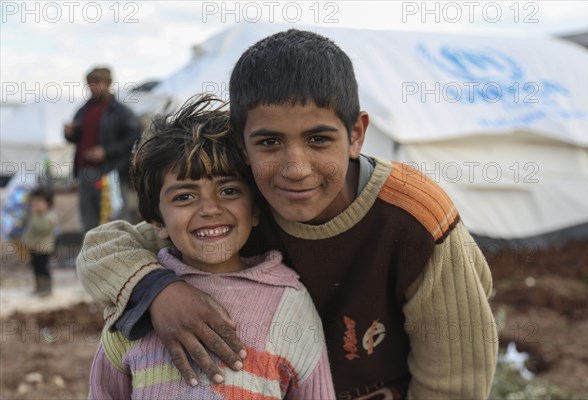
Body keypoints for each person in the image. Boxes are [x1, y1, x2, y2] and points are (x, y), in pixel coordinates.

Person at [77, 30, 498, 399]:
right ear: (242, 145)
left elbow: (453, 382)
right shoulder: (243, 204)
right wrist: (158, 291)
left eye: (318, 139)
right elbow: (103, 248)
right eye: (269, 143)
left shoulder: (415, 220)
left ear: (356, 135)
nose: (295, 169)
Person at [87, 94, 335, 399]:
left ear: (255, 208)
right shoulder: (134, 303)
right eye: (184, 197)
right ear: (157, 221)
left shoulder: (290, 304)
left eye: (229, 190)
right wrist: (156, 293)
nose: (209, 209)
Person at [64, 66, 141, 232]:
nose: (92, 87)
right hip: (85, 172)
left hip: (109, 173)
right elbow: (76, 138)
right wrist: (69, 133)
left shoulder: (120, 111)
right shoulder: (83, 109)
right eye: (90, 83)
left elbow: (133, 137)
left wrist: (106, 151)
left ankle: (111, 254)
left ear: (107, 84)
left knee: (111, 218)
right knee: (88, 219)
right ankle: (91, 253)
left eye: (97, 83)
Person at [21, 186, 57, 296]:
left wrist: (35, 215)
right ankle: (38, 287)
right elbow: (29, 230)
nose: (36, 204)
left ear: (48, 203)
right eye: (34, 201)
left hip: (44, 248)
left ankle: (46, 288)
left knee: (43, 269)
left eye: (39, 201)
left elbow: (41, 228)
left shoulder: (49, 217)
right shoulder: (32, 215)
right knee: (35, 268)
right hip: (33, 247)